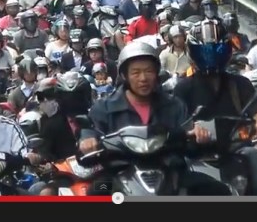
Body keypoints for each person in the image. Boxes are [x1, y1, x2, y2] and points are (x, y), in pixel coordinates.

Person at [78, 41, 214, 195]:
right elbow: (90, 131)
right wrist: (87, 140)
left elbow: (190, 139)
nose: (143, 78)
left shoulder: (174, 105)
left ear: (157, 73)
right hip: (118, 178)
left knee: (216, 189)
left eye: (149, 71)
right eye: (135, 72)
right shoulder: (103, 108)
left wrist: (199, 135)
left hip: (172, 175)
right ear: (124, 75)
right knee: (94, 192)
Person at [173, 19, 257, 195]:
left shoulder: (240, 83)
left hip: (234, 150)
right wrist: (191, 128)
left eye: (215, 51)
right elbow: (176, 119)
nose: (210, 56)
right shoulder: (183, 88)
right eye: (204, 51)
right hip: (196, 155)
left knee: (256, 156)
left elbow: (254, 106)